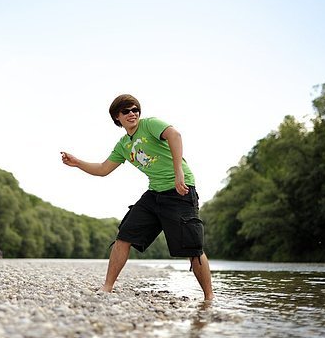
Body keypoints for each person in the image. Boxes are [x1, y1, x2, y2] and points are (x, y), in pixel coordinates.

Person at [61, 94, 214, 300]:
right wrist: (77, 162)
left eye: (135, 110)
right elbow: (103, 169)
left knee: (193, 247)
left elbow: (175, 136)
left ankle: (209, 298)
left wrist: (178, 172)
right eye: (126, 111)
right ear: (117, 117)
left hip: (181, 190)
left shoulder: (150, 124)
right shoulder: (123, 145)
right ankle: (107, 287)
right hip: (155, 193)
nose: (132, 114)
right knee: (123, 236)